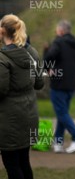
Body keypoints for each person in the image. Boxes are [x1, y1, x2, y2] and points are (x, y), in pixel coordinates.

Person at [0, 14, 44, 179]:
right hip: (29, 115)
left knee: (12, 166)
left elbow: (1, 90)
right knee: (24, 162)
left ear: (2, 31)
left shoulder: (2, 58)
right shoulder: (32, 52)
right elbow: (39, 83)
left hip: (9, 121)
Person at [43, 20, 75, 153]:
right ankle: (58, 144)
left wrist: (47, 68)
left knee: (62, 112)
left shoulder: (58, 42)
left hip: (58, 83)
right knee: (62, 113)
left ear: (60, 31)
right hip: (71, 84)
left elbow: (49, 57)